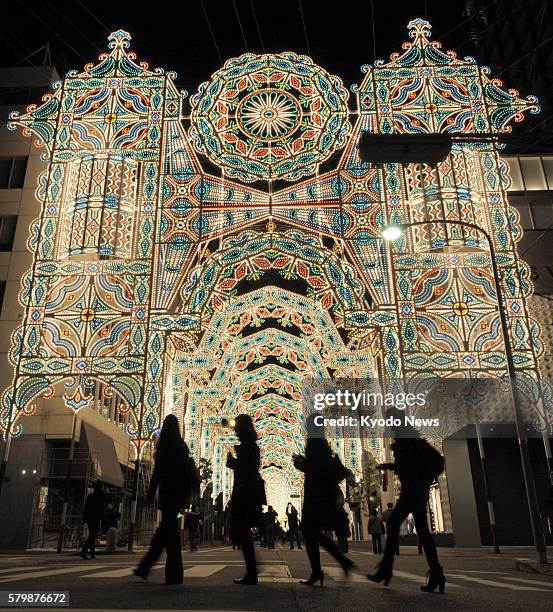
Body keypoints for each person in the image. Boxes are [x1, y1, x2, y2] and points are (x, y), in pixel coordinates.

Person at [367, 412, 446, 593]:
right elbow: (410, 464)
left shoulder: (410, 440)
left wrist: (421, 477)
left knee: (395, 522)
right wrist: (390, 467)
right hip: (415, 489)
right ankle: (436, 573)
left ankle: (386, 568)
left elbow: (434, 462)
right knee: (423, 531)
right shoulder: (407, 440)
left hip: (413, 489)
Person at [293, 414, 355, 587]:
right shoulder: (322, 443)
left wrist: (299, 463)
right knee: (312, 533)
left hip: (316, 496)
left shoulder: (314, 443)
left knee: (309, 531)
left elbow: (315, 468)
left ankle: (320, 571)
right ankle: (334, 565)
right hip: (324, 495)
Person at [135, 414, 196, 585]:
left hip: (167, 494)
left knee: (168, 535)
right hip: (178, 495)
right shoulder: (182, 446)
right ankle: (156, 570)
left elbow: (157, 473)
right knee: (167, 533)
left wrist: (149, 494)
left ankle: (162, 571)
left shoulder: (164, 446)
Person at [227, 414, 264, 585]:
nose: (235, 431)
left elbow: (249, 469)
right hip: (247, 491)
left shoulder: (249, 447)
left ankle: (252, 570)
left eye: (237, 428)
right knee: (242, 531)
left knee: (242, 530)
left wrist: (232, 463)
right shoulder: (250, 446)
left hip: (245, 493)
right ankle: (252, 569)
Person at [80, 481, 106, 559]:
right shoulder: (101, 496)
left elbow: (86, 508)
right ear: (101, 488)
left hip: (89, 518)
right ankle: (84, 551)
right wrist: (103, 519)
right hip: (96, 518)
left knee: (93, 534)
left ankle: (92, 552)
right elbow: (102, 509)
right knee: (93, 535)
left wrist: (84, 518)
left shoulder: (90, 496)